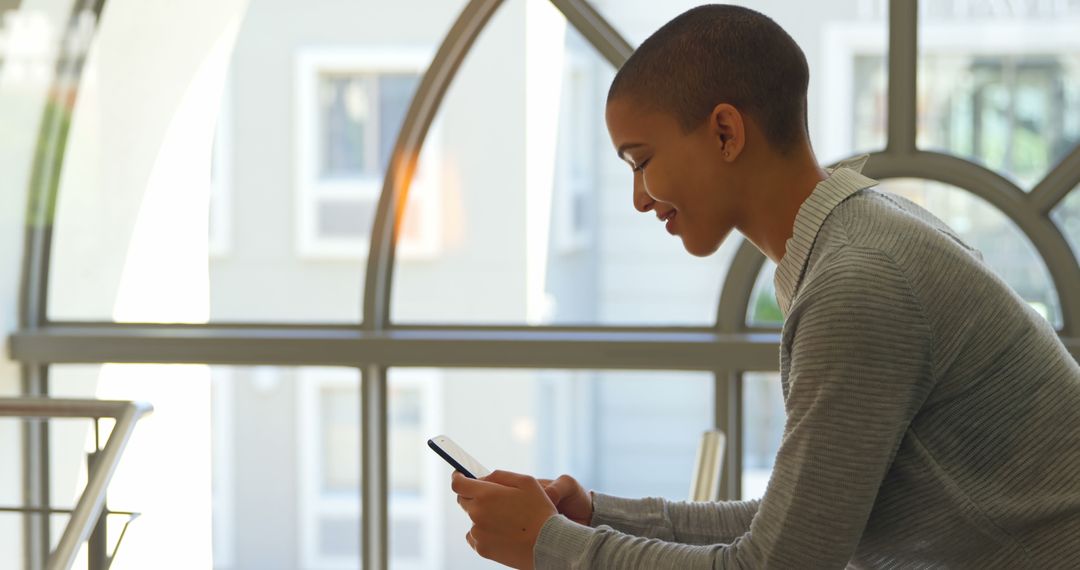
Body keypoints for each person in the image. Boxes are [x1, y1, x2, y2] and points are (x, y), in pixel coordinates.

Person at [450, 4, 1080, 569]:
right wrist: (593, 515)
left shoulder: (858, 282)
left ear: (726, 131)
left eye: (641, 162)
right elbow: (800, 521)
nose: (638, 198)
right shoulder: (864, 234)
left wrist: (552, 547)